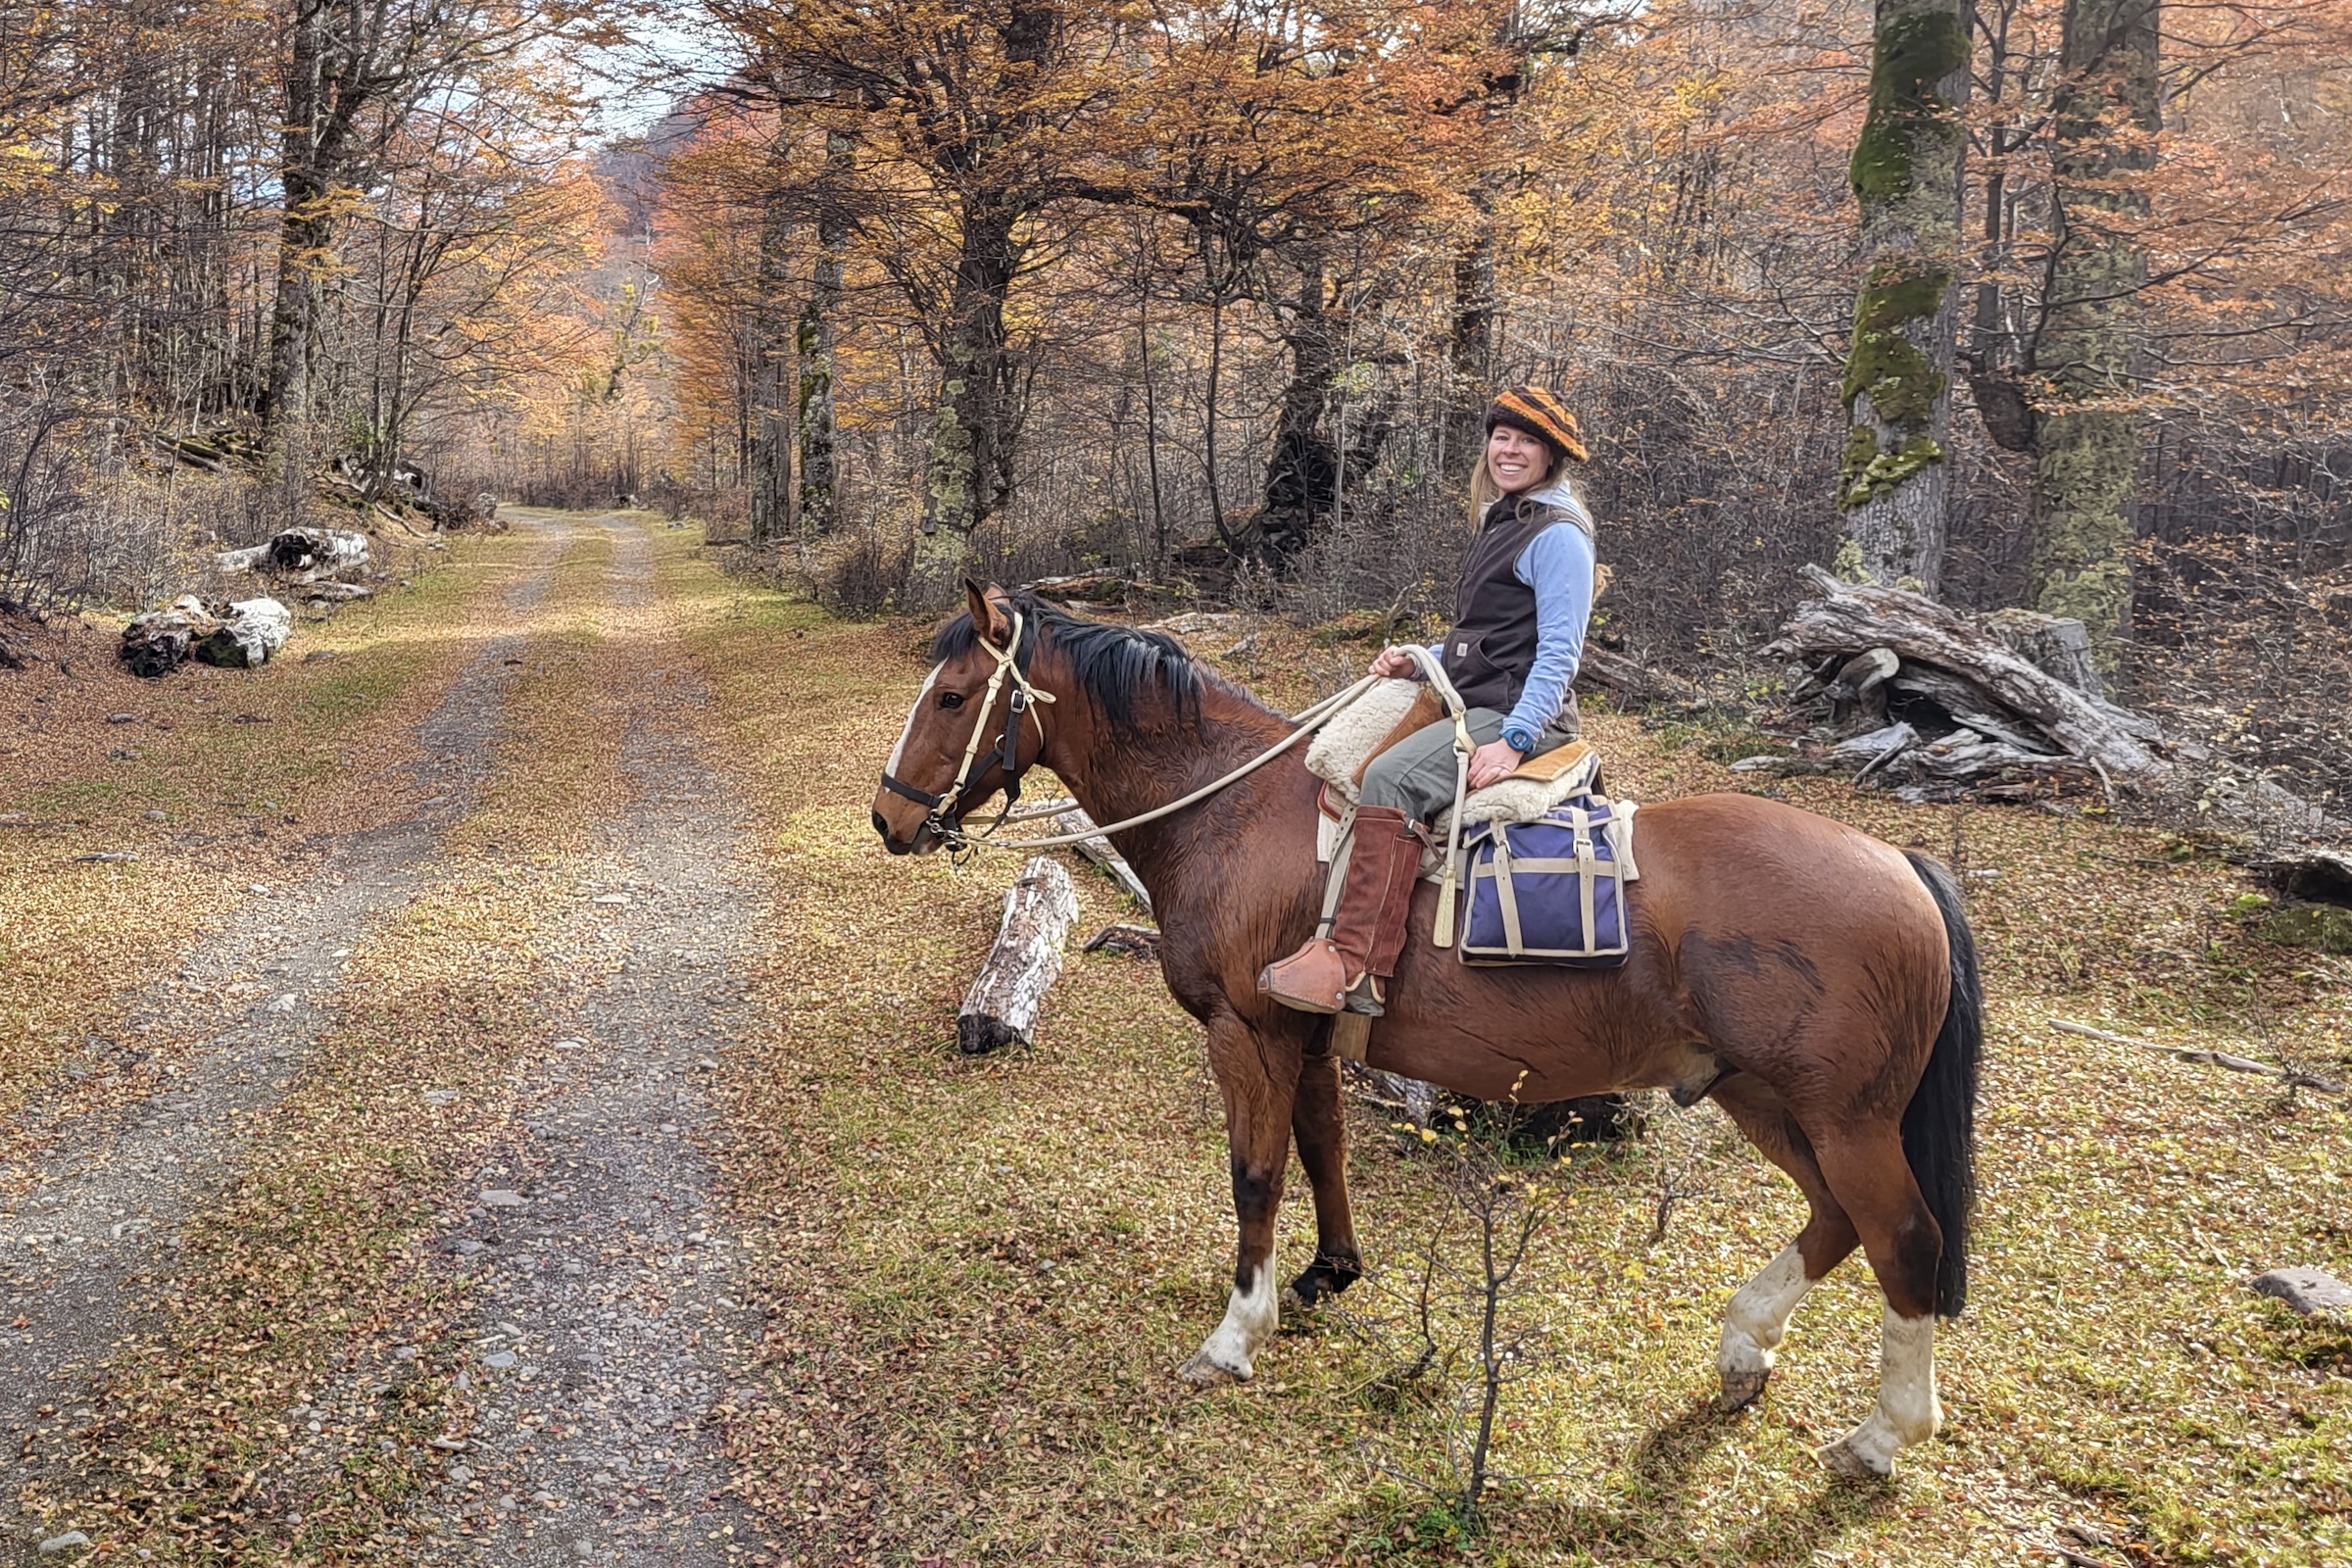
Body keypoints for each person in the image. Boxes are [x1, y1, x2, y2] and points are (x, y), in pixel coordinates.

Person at [1259, 385, 1597, 1015]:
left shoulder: (1557, 535)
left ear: (1552, 457)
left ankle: (1358, 967)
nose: (1511, 450)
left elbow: (1557, 656)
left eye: (1528, 441)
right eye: (1503, 436)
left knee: (1388, 777)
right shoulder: (1507, 519)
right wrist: (1423, 657)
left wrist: (1515, 740)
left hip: (1519, 714)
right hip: (1481, 698)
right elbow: (1486, 642)